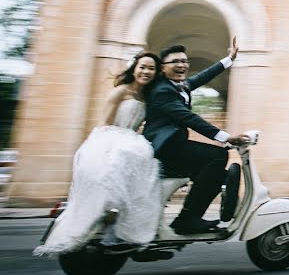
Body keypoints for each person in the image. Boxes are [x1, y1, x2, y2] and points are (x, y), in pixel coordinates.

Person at [34, 53, 164, 256]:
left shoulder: (147, 96)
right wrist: (114, 145)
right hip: (111, 138)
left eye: (151, 68)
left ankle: (126, 231)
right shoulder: (121, 91)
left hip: (132, 140)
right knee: (118, 170)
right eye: (143, 67)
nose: (146, 72)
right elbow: (105, 123)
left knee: (145, 172)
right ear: (134, 68)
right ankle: (108, 230)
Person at [143, 37, 249, 234]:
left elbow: (202, 77)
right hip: (165, 150)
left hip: (174, 145)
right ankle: (189, 218)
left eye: (184, 61)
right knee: (217, 155)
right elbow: (189, 118)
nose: (181, 65)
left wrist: (229, 59)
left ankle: (221, 185)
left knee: (213, 162)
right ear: (162, 68)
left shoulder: (178, 85)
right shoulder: (163, 91)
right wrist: (226, 137)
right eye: (175, 62)